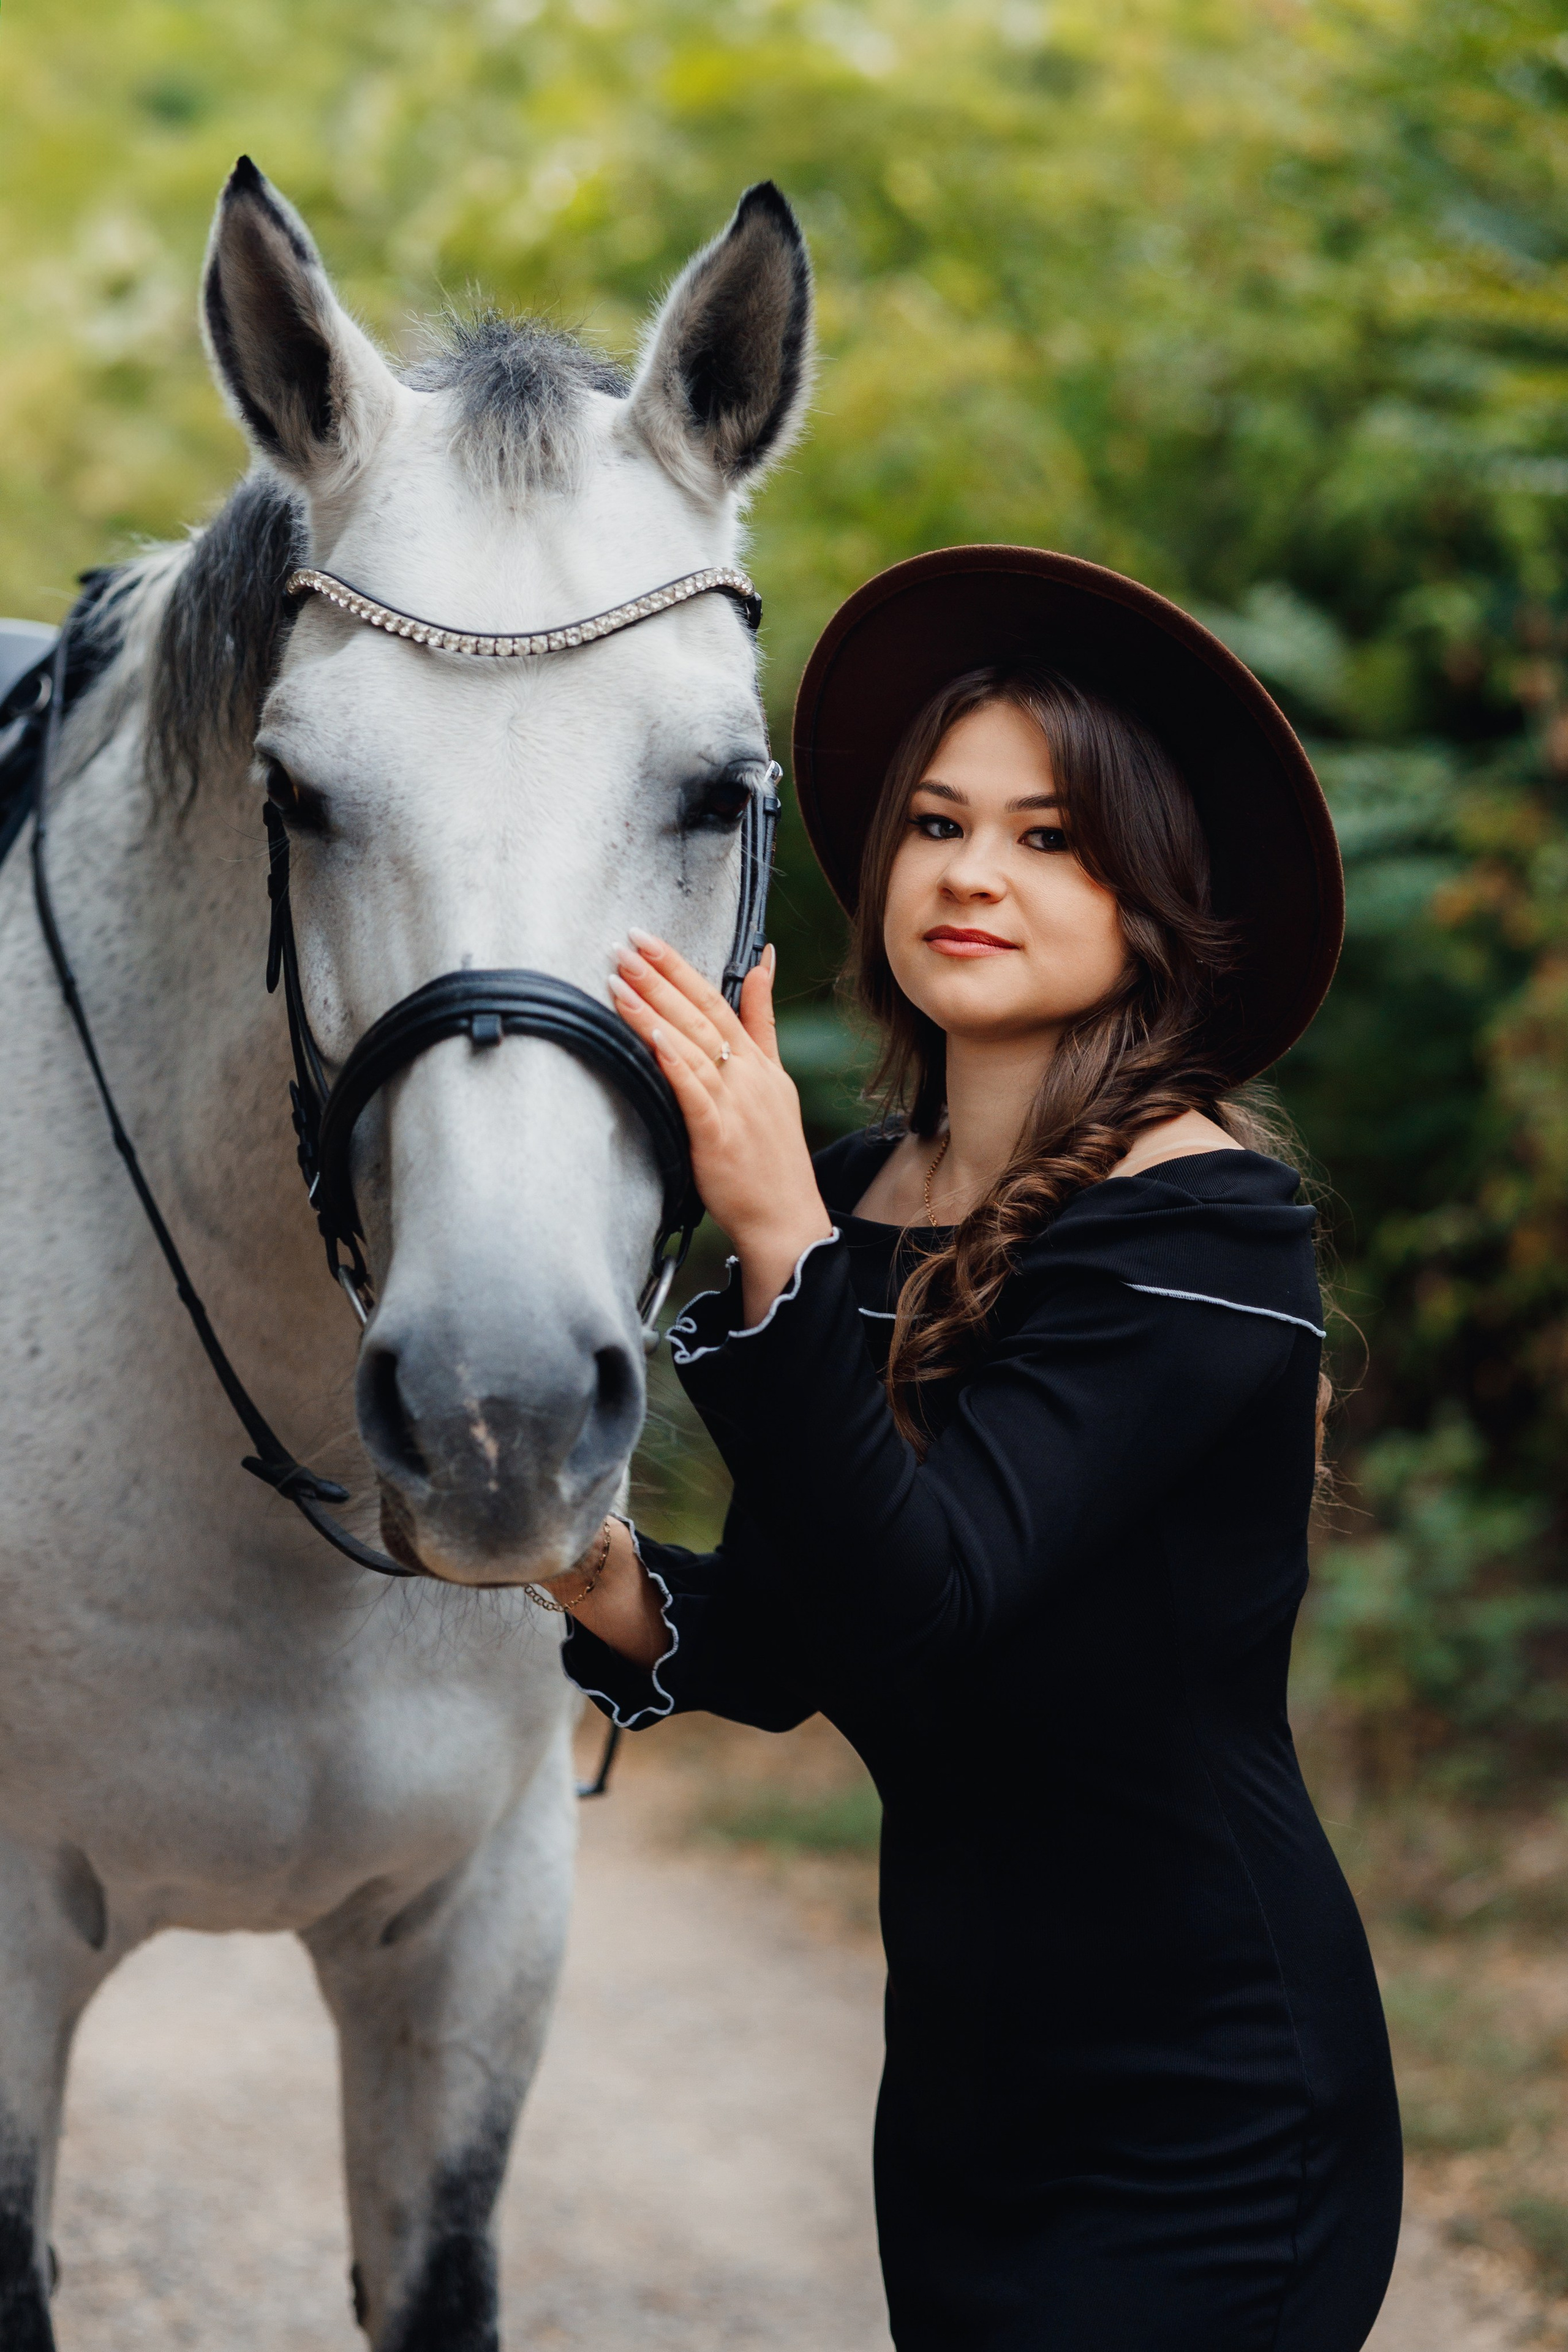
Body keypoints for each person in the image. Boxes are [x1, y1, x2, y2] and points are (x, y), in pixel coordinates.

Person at [538, 548, 1402, 2351]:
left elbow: (937, 1601)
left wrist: (780, 1244)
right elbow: (805, 1638)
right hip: (959, 2091)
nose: (974, 874)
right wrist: (570, 1553)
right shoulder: (856, 1195)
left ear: (1152, 900)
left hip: (1211, 2093)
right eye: (939, 824)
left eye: (1053, 839)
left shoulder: (1209, 1223)